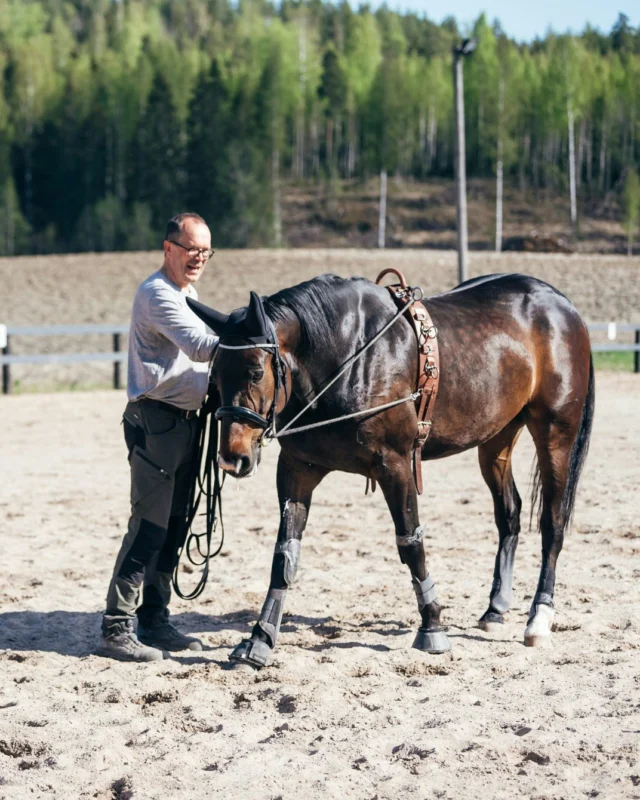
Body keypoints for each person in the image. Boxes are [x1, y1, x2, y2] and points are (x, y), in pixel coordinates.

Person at [96, 213, 219, 662]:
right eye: (191, 250)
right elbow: (202, 346)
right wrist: (252, 338)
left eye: (205, 251)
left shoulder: (189, 294)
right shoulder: (157, 294)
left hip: (185, 423)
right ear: (169, 248)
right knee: (149, 526)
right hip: (156, 421)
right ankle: (116, 627)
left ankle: (155, 617)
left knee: (176, 525)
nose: (198, 258)